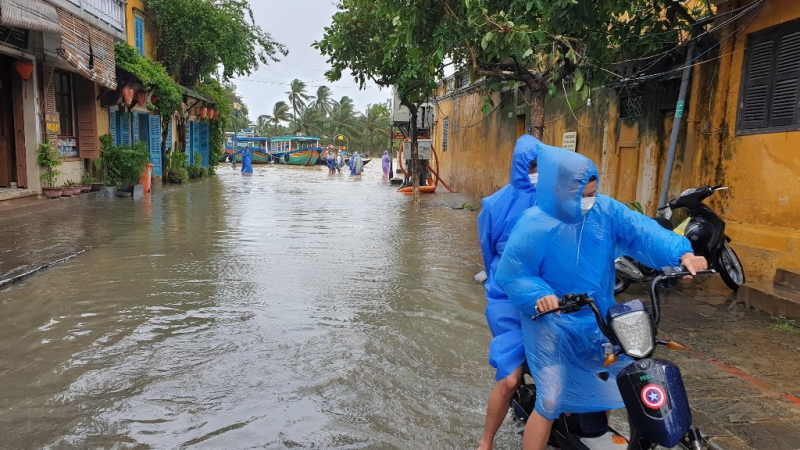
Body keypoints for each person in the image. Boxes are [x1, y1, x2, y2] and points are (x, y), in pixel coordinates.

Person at [494, 147, 707, 450]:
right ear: (559, 188)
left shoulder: (605, 212)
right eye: (581, 194)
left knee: (629, 380)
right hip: (551, 324)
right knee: (551, 397)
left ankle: (606, 437)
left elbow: (642, 232)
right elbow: (514, 274)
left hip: (600, 318)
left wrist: (682, 253)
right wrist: (541, 296)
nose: (588, 201)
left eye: (592, 192)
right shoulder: (534, 224)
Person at [477, 135, 558, 450]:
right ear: (520, 166)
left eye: (541, 166)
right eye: (532, 166)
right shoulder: (494, 205)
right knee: (509, 379)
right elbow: (488, 255)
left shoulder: (554, 202)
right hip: (506, 300)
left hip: (548, 296)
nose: (536, 172)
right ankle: (486, 442)